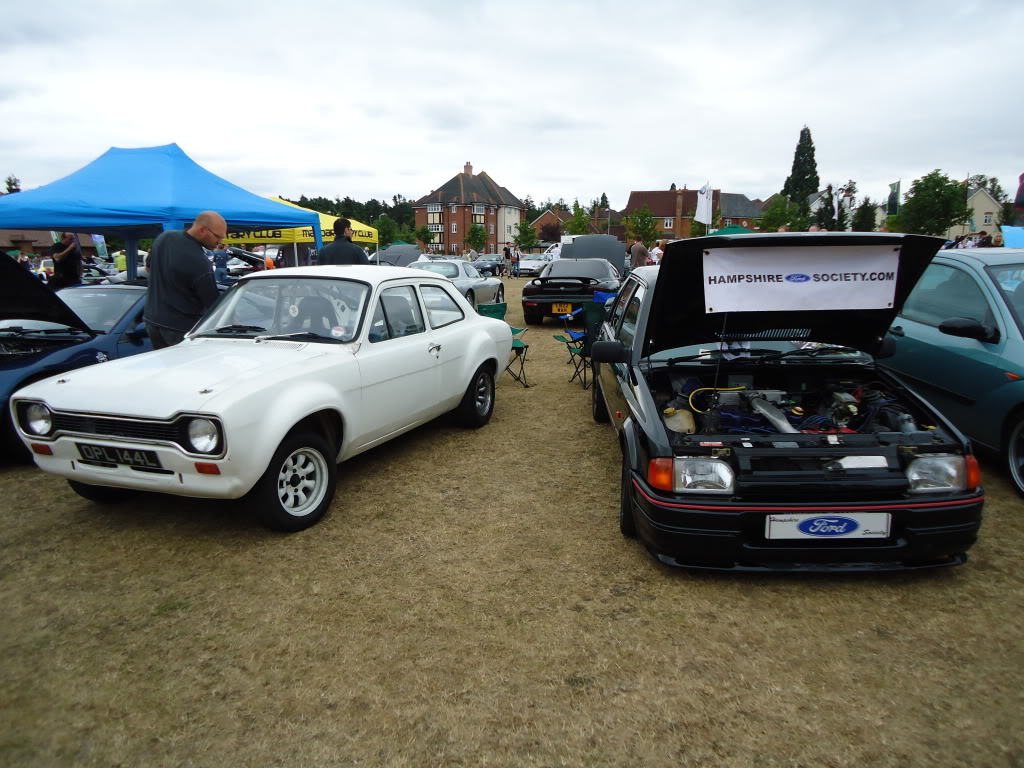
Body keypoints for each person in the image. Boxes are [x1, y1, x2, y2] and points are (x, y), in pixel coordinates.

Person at [143, 211, 223, 349]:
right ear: (203, 230)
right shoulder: (200, 261)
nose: (219, 242)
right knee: (189, 369)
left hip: (152, 320)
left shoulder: (164, 238)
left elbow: (148, 267)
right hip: (181, 327)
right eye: (218, 237)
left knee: (169, 369)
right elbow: (213, 305)